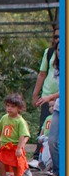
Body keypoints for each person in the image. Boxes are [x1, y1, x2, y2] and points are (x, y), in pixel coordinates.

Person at [29, 25, 59, 167]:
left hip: (58, 97)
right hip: (47, 95)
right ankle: (38, 156)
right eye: (55, 36)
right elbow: (42, 74)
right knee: (45, 125)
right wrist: (36, 94)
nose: (57, 39)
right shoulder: (50, 53)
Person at [0, 93, 31, 176]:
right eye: (8, 106)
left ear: (19, 108)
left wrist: (19, 148)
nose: (9, 108)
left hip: (14, 146)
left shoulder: (20, 121)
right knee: (0, 162)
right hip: (5, 146)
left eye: (12, 107)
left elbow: (23, 135)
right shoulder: (4, 118)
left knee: (15, 165)